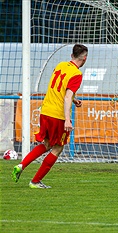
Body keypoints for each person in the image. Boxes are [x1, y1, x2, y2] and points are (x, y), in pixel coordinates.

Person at [12, 44, 88, 188]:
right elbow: (66, 96)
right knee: (58, 148)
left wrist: (74, 99)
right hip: (57, 115)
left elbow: (59, 88)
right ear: (84, 58)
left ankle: (21, 165)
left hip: (45, 110)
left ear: (72, 55)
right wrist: (67, 119)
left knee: (46, 144)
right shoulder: (77, 74)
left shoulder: (60, 65)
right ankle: (35, 181)